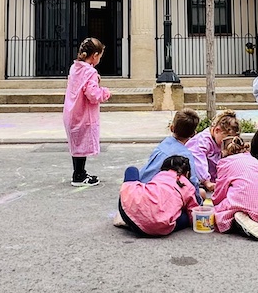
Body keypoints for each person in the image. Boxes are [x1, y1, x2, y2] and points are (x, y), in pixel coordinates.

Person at [212, 133, 258, 241]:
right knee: (257, 204)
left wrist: (216, 203)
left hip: (243, 200)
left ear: (222, 152)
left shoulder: (224, 163)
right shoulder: (255, 161)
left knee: (219, 215)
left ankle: (239, 221)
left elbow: (221, 190)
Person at [63, 37, 112, 186]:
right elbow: (93, 95)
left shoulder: (75, 68)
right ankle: (78, 175)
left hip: (71, 112)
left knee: (77, 145)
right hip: (83, 114)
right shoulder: (90, 72)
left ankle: (79, 172)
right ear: (95, 55)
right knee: (82, 145)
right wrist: (105, 92)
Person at [113, 155, 198, 237]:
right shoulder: (189, 187)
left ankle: (126, 217)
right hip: (160, 227)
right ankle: (149, 222)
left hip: (132, 218)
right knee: (186, 216)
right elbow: (193, 213)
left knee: (131, 170)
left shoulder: (160, 175)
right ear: (187, 173)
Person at [140, 109, 205, 189]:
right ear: (193, 134)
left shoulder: (162, 146)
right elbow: (193, 183)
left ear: (171, 128)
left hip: (142, 187)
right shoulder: (186, 156)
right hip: (162, 193)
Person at [186, 111, 239, 194]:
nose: (229, 142)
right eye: (227, 138)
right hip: (198, 180)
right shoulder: (203, 141)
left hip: (213, 180)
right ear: (217, 130)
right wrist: (206, 181)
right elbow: (199, 161)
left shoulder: (218, 140)